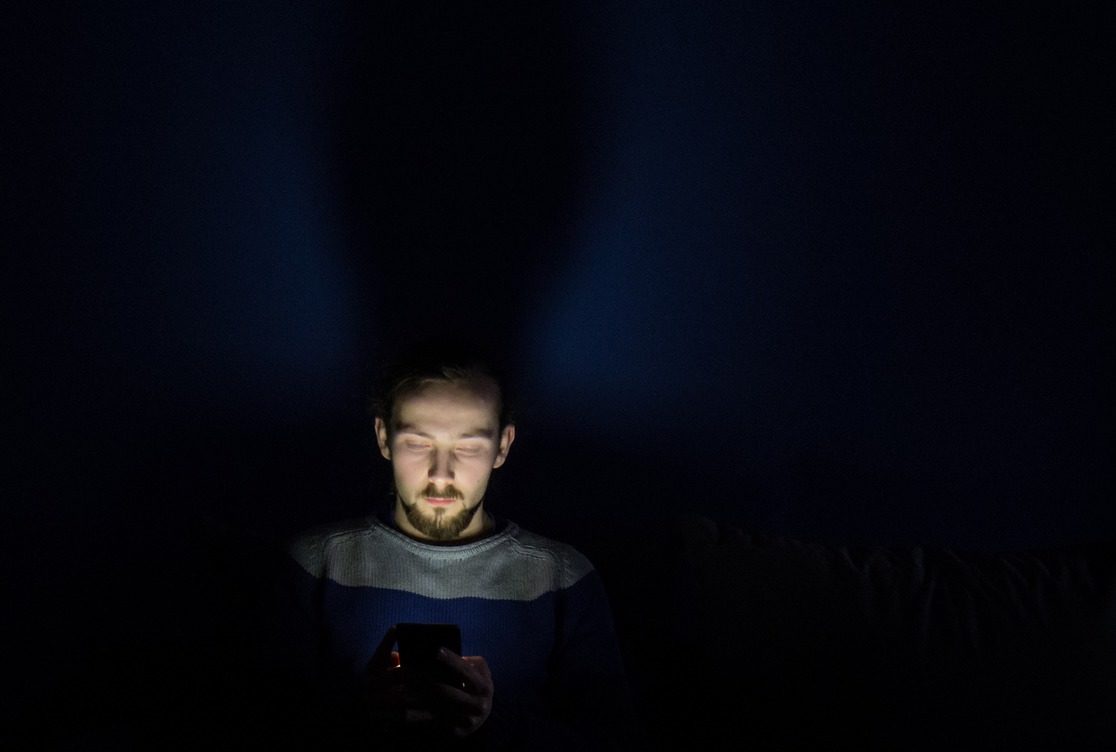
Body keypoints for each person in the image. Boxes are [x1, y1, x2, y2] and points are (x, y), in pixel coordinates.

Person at [265, 342, 638, 750]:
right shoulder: (315, 564)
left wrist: (493, 722)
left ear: (503, 446)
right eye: (418, 443)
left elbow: (612, 738)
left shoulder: (562, 578)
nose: (441, 475)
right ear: (383, 437)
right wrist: (359, 713)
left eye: (468, 446)